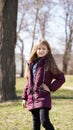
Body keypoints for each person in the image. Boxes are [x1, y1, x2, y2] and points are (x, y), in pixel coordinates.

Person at [22, 39, 65, 130]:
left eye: (43, 48)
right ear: (35, 50)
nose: (41, 50)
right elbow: (28, 83)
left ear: (47, 50)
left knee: (44, 121)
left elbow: (61, 78)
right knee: (35, 125)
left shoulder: (49, 64)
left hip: (43, 97)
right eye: (39, 48)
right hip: (32, 99)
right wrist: (24, 98)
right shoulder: (31, 64)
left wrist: (50, 87)